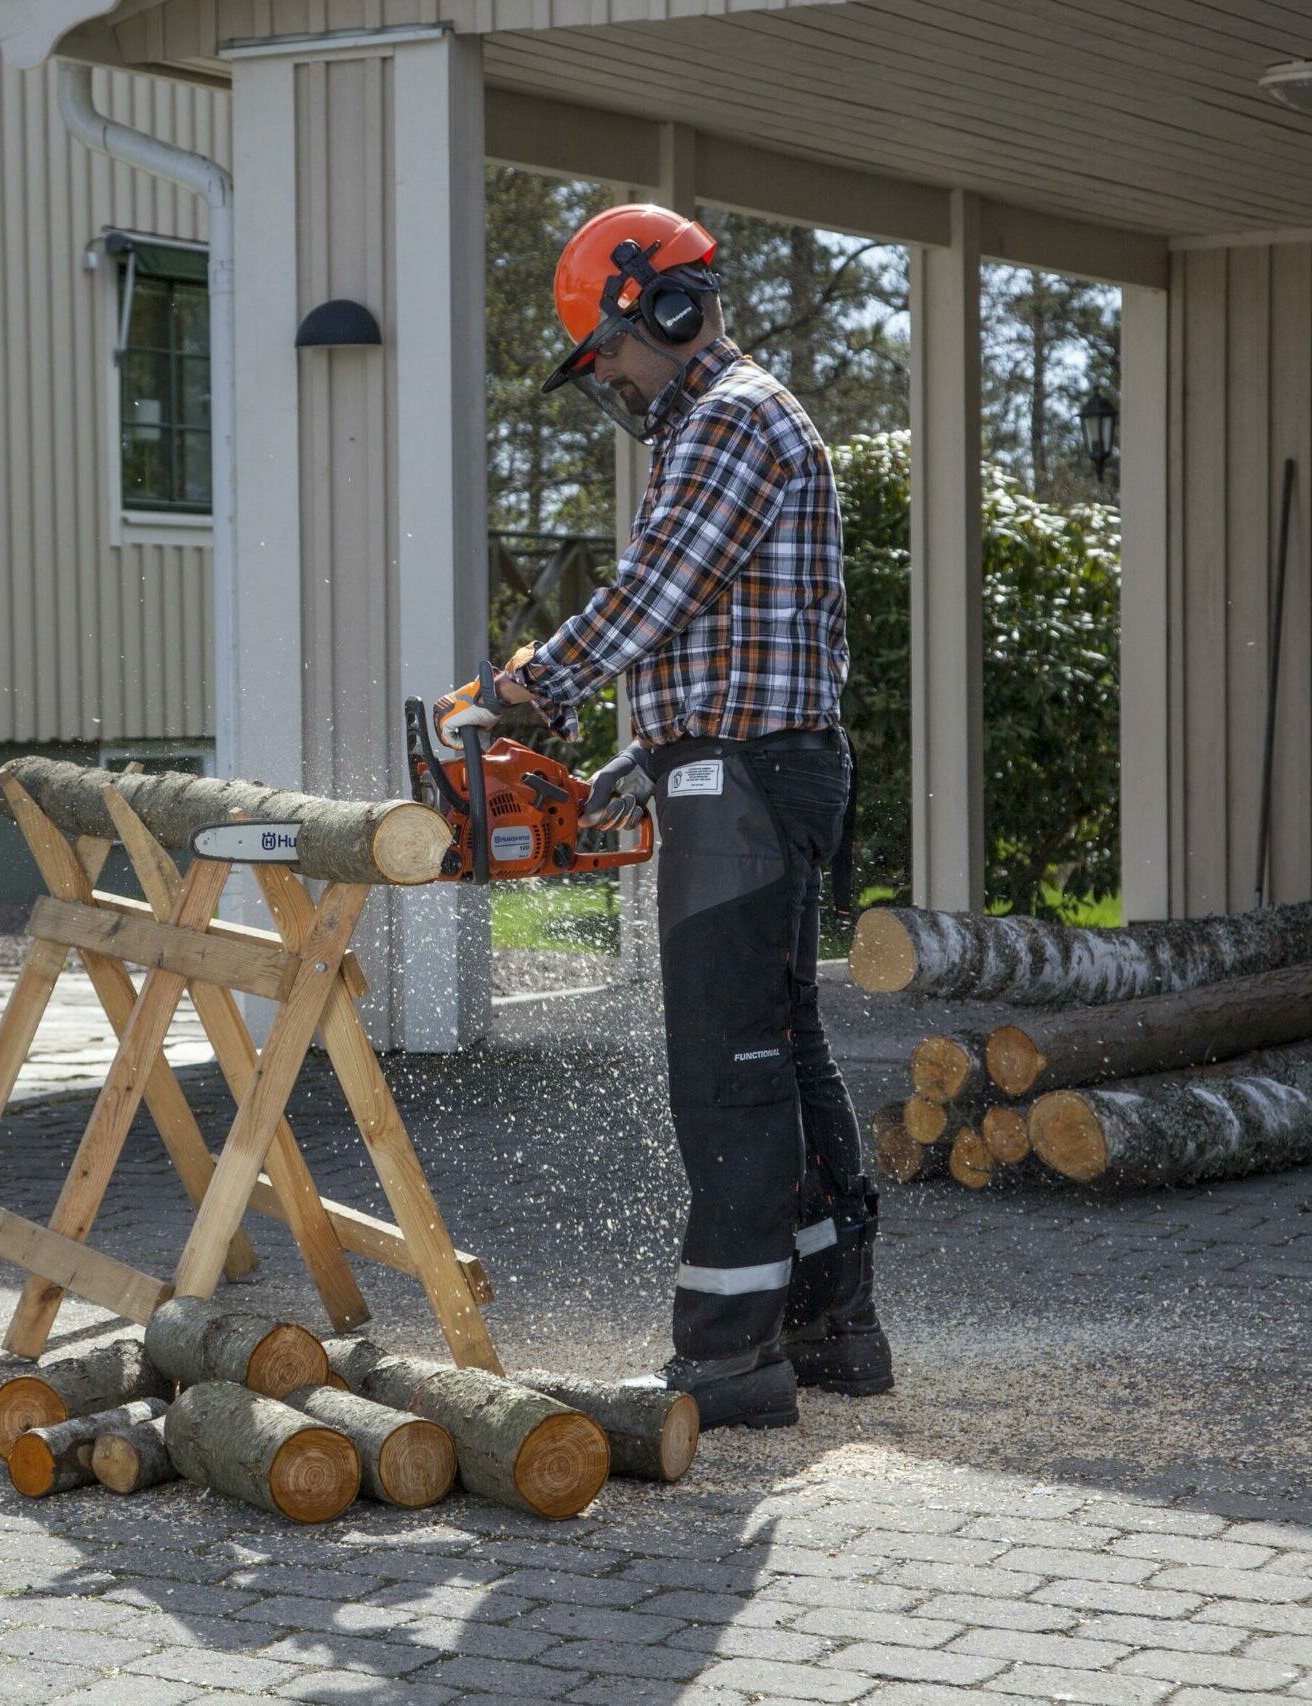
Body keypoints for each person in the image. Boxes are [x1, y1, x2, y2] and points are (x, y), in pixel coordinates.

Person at [434, 204, 889, 1430]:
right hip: (740, 762)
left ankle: (728, 1355)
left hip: (742, 776)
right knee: (780, 1044)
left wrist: (523, 688)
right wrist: (643, 752)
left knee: (724, 1059)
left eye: (614, 350)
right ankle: (828, 1323)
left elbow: (652, 597)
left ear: (668, 309)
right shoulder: (729, 422)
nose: (616, 377)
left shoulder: (729, 419)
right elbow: (728, 637)